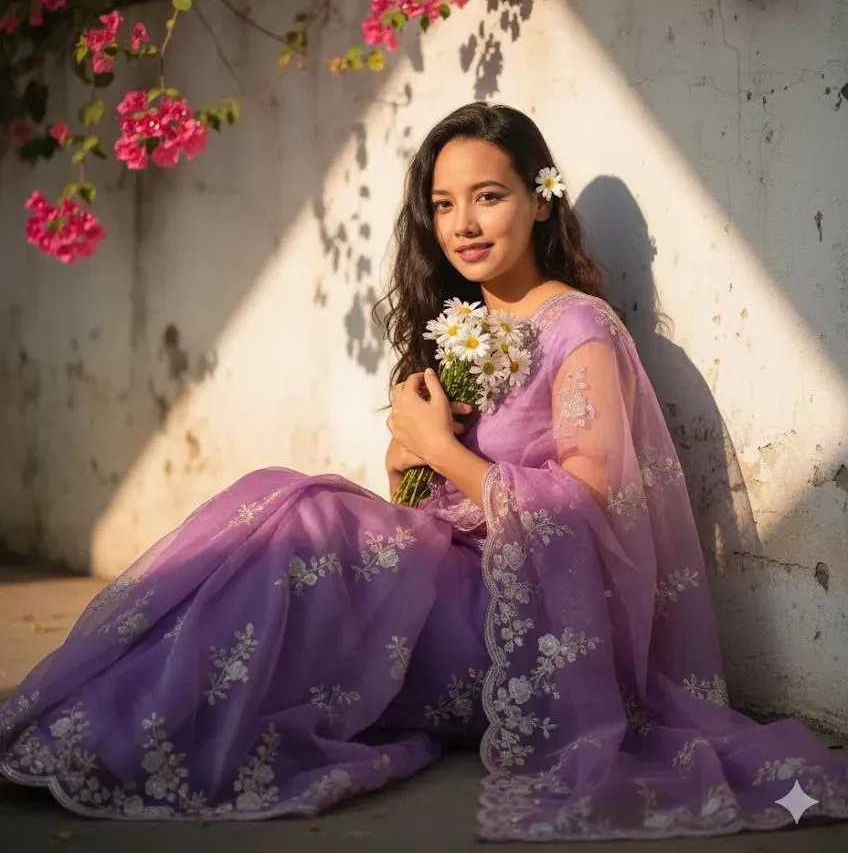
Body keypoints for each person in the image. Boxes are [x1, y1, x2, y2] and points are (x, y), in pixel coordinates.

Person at [1, 102, 845, 839]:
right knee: (283, 509)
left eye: (488, 196)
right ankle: (107, 724)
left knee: (310, 518)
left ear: (539, 200)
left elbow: (589, 509)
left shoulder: (577, 330)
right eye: (444, 205)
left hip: (528, 630)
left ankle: (126, 733)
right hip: (453, 586)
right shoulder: (463, 324)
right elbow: (440, 498)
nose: (464, 224)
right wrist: (411, 460)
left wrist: (445, 453)